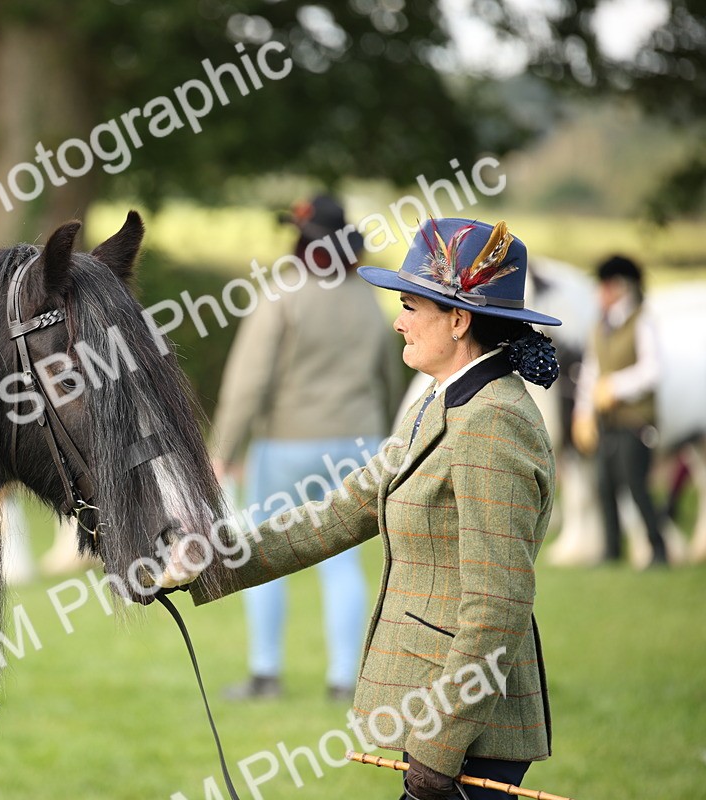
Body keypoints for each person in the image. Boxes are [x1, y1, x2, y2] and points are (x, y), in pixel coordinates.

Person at [164, 218, 561, 800]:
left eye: (409, 306)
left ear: (458, 319)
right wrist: (209, 557)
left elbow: (496, 607)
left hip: (470, 732)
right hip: (441, 716)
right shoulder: (441, 401)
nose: (397, 321)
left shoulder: (492, 421)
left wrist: (438, 746)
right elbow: (338, 513)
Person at [210, 194, 401, 701]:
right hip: (360, 445)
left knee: (265, 555)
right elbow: (390, 375)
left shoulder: (283, 295)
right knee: (342, 564)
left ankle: (265, 674)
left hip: (287, 445)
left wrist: (225, 447)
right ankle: (343, 680)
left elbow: (248, 382)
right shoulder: (370, 298)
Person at [571, 255, 668, 567]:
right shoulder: (601, 326)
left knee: (637, 487)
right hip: (606, 421)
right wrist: (582, 413)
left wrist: (616, 386)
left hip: (634, 421)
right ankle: (612, 552)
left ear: (618, 287)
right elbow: (590, 373)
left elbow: (653, 369)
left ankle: (658, 550)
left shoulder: (642, 321)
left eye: (604, 286)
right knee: (604, 485)